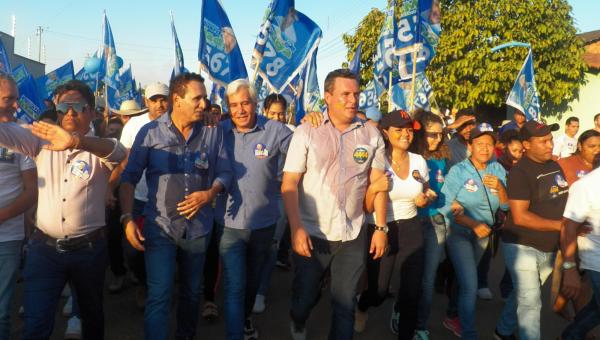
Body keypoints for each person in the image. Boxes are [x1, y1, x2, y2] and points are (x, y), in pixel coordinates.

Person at [0, 78, 126, 339]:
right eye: (63, 106)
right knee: (35, 324)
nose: (69, 112)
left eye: (77, 106)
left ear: (91, 111)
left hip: (89, 251)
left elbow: (118, 153)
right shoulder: (38, 141)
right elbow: (5, 131)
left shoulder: (99, 145)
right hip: (44, 250)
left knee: (92, 320)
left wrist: (75, 142)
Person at [120, 73, 232, 340]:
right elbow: (129, 178)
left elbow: (225, 172)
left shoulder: (212, 133)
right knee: (160, 294)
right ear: (177, 100)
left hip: (198, 229)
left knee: (192, 293)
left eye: (204, 98)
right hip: (161, 228)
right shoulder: (150, 133)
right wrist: (126, 217)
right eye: (197, 98)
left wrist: (210, 192)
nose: (204, 104)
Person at [282, 68, 387, 340]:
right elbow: (289, 183)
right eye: (345, 94)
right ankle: (298, 318)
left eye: (356, 94)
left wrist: (380, 227)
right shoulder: (307, 132)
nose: (352, 100)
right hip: (313, 234)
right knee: (305, 295)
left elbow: (379, 185)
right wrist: (295, 229)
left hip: (353, 234)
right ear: (327, 97)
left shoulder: (371, 135)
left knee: (345, 304)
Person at [215, 79, 293, 340]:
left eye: (245, 103)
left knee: (251, 284)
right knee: (234, 286)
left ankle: (244, 318)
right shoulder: (218, 131)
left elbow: (306, 150)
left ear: (255, 103)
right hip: (229, 226)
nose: (240, 110)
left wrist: (317, 120)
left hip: (264, 223)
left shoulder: (276, 130)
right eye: (233, 105)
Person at [354, 110, 435, 339]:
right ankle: (362, 305)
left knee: (411, 292)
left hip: (411, 228)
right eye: (399, 130)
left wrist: (425, 198)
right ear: (385, 132)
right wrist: (373, 188)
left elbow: (425, 191)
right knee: (378, 292)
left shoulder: (419, 161)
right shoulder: (375, 162)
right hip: (380, 229)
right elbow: (366, 207)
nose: (406, 135)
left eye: (409, 130)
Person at [495, 120, 568, 340]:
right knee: (531, 301)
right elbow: (520, 216)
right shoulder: (520, 172)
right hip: (521, 245)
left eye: (551, 139)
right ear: (526, 144)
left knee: (523, 293)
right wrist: (560, 225)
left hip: (549, 245)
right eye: (543, 141)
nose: (550, 144)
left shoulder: (554, 165)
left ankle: (502, 330)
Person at [440, 123, 508, 340]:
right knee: (470, 283)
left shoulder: (498, 169)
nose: (485, 148)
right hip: (460, 233)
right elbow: (444, 204)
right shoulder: (458, 171)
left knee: (463, 279)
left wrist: (500, 187)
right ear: (470, 145)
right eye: (480, 144)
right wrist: (472, 224)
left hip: (484, 235)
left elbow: (505, 206)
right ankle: (469, 333)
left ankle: (452, 314)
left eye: (489, 144)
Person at [111, 82, 169, 303]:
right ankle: (144, 282)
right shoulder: (135, 125)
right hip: (137, 197)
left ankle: (155, 290)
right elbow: (124, 161)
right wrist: (111, 188)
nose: (160, 104)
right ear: (146, 102)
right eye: (154, 100)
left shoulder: (177, 123)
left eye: (163, 99)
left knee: (162, 248)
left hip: (164, 202)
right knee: (133, 249)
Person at [413, 110, 462, 340]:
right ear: (420, 133)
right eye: (432, 134)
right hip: (412, 221)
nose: (438, 139)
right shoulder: (410, 155)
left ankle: (419, 324)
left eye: (441, 134)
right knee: (411, 275)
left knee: (428, 277)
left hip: (437, 221)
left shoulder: (443, 157)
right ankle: (402, 309)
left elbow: (448, 188)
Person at [0, 74, 38, 338]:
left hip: (8, 239)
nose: (16, 105)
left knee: (1, 312)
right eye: (9, 99)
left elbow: (32, 190)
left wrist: (2, 216)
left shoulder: (21, 136)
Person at [254, 93, 294, 314]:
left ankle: (260, 291)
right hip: (257, 193)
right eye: (273, 113)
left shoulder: (292, 134)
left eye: (281, 113)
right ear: (265, 112)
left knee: (271, 245)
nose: (278, 117)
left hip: (279, 194)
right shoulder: (256, 132)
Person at [559, 155, 600, 339]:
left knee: (596, 309)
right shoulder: (586, 186)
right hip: (596, 261)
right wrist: (569, 268)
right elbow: (568, 227)